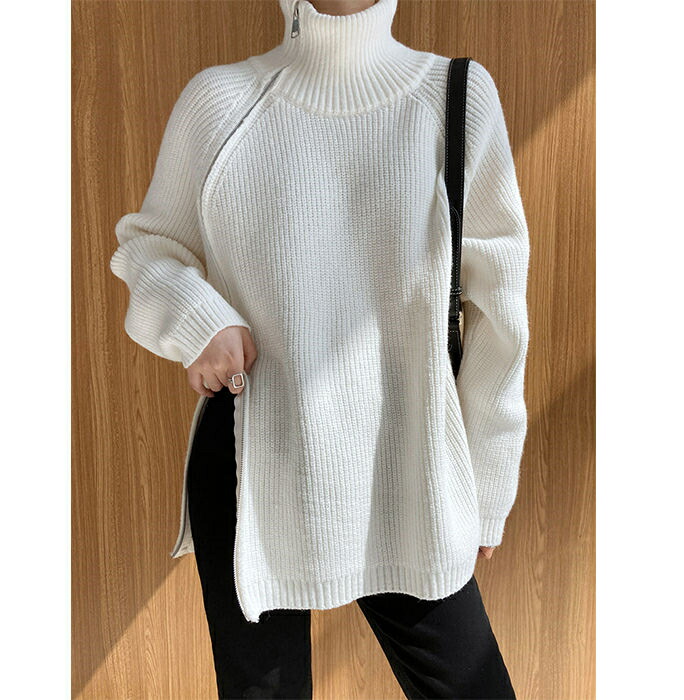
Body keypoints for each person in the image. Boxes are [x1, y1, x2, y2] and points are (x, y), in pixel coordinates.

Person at [109, 0, 530, 697]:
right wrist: (198, 320)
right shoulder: (221, 102)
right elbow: (150, 247)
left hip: (411, 470)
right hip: (254, 467)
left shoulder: (455, 96)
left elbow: (499, 310)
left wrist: (487, 484)